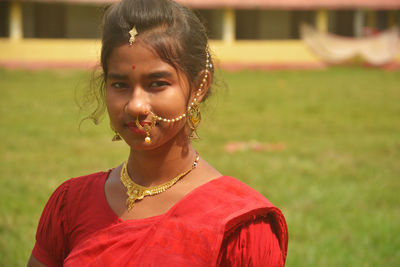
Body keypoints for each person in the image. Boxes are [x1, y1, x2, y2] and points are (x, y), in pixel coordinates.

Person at [27, 0, 288, 266]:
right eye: (119, 84)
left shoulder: (239, 225)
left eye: (157, 84)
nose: (136, 105)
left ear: (199, 86)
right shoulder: (71, 205)